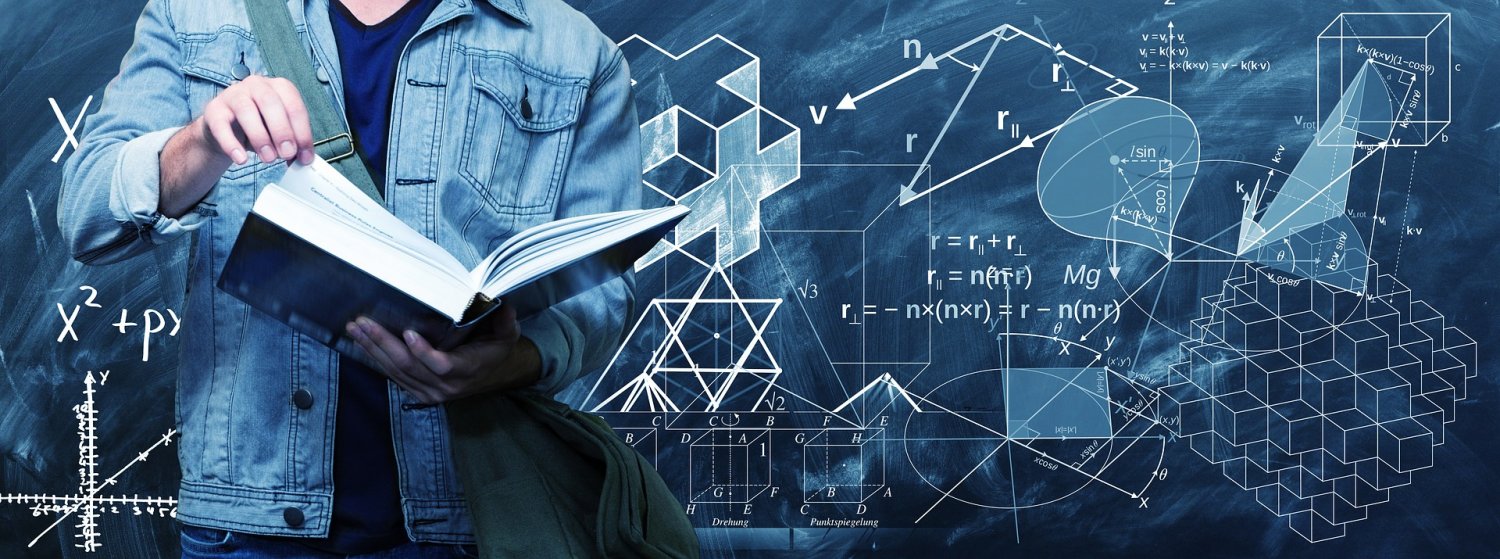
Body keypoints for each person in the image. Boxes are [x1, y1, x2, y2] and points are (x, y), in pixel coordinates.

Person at [57, 0, 641, 556]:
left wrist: (511, 363)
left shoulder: (576, 52)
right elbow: (86, 214)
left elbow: (601, 292)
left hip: (474, 516)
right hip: (247, 525)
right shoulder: (195, 15)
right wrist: (203, 142)